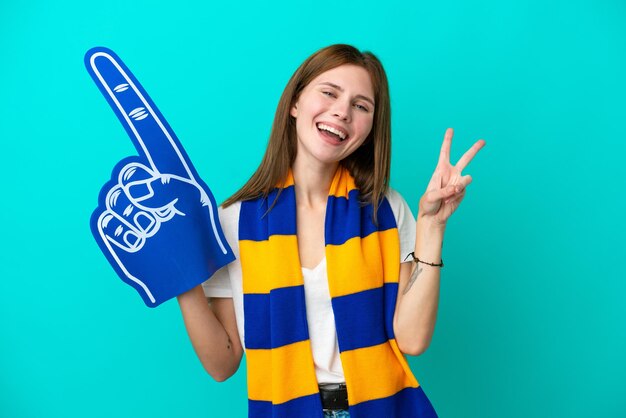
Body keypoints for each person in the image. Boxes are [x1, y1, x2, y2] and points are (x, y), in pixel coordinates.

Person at [176, 44, 485, 418]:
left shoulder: (385, 210)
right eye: (329, 92)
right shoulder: (233, 221)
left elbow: (413, 339)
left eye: (361, 106)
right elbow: (222, 364)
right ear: (295, 102)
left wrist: (432, 228)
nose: (342, 111)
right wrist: (183, 278)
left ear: (371, 127)